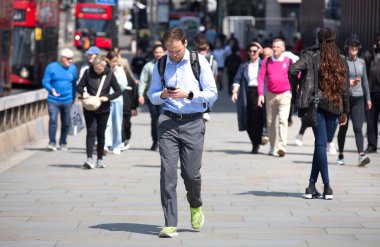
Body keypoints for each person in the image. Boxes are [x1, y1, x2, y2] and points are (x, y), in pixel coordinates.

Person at [148, 27, 218, 238]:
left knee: (191, 174)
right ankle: (170, 223)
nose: (174, 55)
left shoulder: (199, 62)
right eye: (170, 51)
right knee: (167, 174)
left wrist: (189, 94)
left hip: (194, 123)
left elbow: (212, 94)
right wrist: (162, 94)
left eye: (177, 51)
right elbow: (151, 95)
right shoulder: (161, 64)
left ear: (185, 44)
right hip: (168, 122)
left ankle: (195, 204)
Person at [289, 27, 350, 200]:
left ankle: (312, 186)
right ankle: (327, 187)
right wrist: (345, 111)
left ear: (319, 39)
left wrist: (298, 87)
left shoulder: (310, 55)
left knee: (320, 145)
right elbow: (345, 89)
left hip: (315, 104)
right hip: (334, 106)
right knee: (322, 144)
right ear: (334, 39)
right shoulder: (341, 59)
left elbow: (293, 70)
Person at [77, 55, 121, 169]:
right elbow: (79, 87)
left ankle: (100, 159)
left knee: (101, 134)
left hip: (103, 108)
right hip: (90, 107)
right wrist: (84, 93)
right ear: (93, 66)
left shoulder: (109, 74)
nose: (98, 71)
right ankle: (89, 158)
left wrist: (108, 97)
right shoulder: (87, 72)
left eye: (100, 69)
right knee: (91, 132)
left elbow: (118, 91)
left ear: (104, 66)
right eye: (96, 69)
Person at [257, 39, 298, 157]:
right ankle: (272, 147)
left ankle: (281, 147)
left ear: (283, 49)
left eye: (278, 47)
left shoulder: (289, 61)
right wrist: (260, 94)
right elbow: (260, 78)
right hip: (270, 94)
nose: (275, 49)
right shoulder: (267, 61)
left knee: (283, 120)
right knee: (270, 122)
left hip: (285, 94)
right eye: (273, 47)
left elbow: (298, 75)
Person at [336, 36, 371, 166]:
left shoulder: (362, 62)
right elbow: (337, 80)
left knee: (358, 127)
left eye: (356, 47)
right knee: (343, 128)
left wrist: (368, 98)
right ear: (347, 48)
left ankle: (361, 155)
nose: (354, 49)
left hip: (358, 99)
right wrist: (348, 83)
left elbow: (365, 81)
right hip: (344, 100)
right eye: (352, 46)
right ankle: (340, 154)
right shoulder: (342, 60)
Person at [231, 41, 264, 154]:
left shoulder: (264, 64)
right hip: (246, 93)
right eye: (250, 51)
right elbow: (237, 79)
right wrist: (235, 92)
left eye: (254, 51)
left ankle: (256, 144)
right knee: (247, 119)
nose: (252, 53)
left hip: (260, 93)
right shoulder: (244, 65)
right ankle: (254, 141)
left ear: (259, 52)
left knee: (257, 119)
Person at [42, 48, 77, 151]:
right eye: (68, 59)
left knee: (66, 122)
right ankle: (52, 143)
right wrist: (51, 89)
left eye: (72, 59)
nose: (70, 61)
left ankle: (63, 142)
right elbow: (45, 82)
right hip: (53, 99)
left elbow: (74, 84)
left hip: (67, 100)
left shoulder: (73, 69)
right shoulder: (51, 67)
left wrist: (74, 97)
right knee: (53, 120)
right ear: (62, 58)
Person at [138, 44, 166, 151]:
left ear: (164, 53)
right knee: (155, 119)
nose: (158, 54)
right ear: (153, 54)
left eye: (160, 52)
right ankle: (155, 140)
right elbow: (143, 81)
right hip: (152, 97)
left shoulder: (169, 65)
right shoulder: (148, 66)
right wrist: (140, 94)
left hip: (165, 97)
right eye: (156, 52)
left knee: (162, 119)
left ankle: (163, 140)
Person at [104, 51, 129, 155]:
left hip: (117, 100)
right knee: (106, 124)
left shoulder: (119, 70)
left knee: (117, 123)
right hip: (106, 100)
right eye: (112, 61)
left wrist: (115, 84)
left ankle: (117, 145)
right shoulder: (104, 70)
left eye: (116, 61)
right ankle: (106, 144)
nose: (114, 64)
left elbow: (124, 84)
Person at [364, 32, 380, 153]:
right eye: (377, 40)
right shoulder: (370, 54)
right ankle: (372, 145)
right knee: (371, 120)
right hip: (372, 92)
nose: (379, 42)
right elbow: (365, 61)